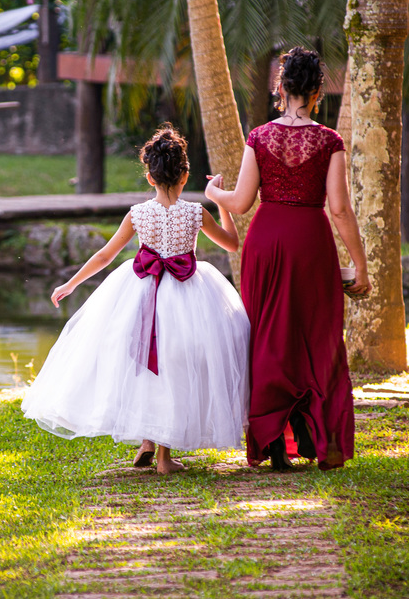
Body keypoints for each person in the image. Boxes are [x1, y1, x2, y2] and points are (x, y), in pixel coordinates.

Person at [21, 125, 250, 475]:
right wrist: (220, 202)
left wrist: (70, 283)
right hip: (189, 294)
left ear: (149, 176)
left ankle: (147, 440)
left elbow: (104, 256)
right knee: (174, 363)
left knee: (143, 359)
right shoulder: (195, 213)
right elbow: (232, 244)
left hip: (141, 294)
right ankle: (162, 457)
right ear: (185, 174)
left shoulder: (138, 214)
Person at [205, 47, 370, 471]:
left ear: (280, 87)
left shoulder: (259, 137)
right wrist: (360, 264)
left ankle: (273, 437)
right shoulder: (329, 141)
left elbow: (240, 203)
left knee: (269, 336)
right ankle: (321, 437)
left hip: (267, 241)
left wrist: (213, 194)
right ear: (317, 91)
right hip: (311, 242)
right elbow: (339, 208)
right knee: (319, 337)